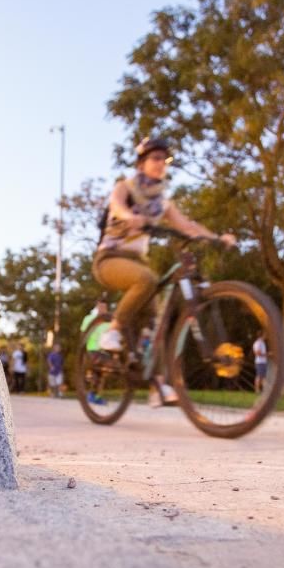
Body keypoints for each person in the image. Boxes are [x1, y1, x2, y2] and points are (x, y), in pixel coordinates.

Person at [93, 137, 235, 405]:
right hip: (109, 258)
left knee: (156, 322)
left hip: (137, 262)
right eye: (155, 158)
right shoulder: (126, 186)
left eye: (165, 160)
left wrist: (217, 238)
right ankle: (113, 329)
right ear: (142, 162)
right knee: (148, 279)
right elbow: (117, 205)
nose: (161, 164)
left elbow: (188, 226)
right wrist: (129, 216)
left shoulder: (162, 203)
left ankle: (156, 385)